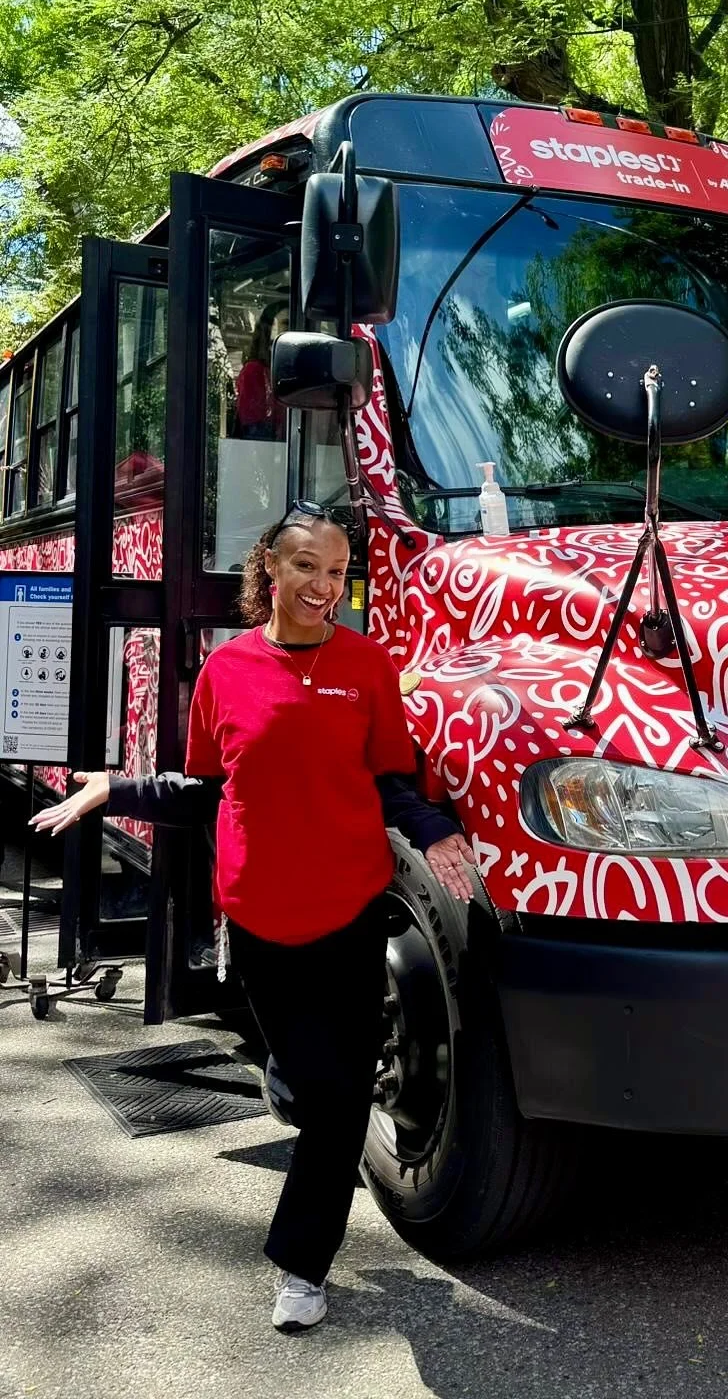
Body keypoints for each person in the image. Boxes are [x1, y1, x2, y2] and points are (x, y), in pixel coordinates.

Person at [33, 502, 476, 1333]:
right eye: (307, 566)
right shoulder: (226, 671)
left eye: (339, 571)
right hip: (261, 918)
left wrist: (436, 831)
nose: (324, 585)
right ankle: (289, 1073)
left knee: (339, 1103)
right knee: (317, 1087)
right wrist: (113, 787)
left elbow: (389, 783)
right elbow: (205, 791)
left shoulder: (368, 667)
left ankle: (301, 1266)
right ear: (268, 569)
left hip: (349, 910)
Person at [235, 304, 288, 440]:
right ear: (268, 331)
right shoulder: (254, 372)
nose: (290, 332)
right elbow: (255, 432)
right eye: (286, 325)